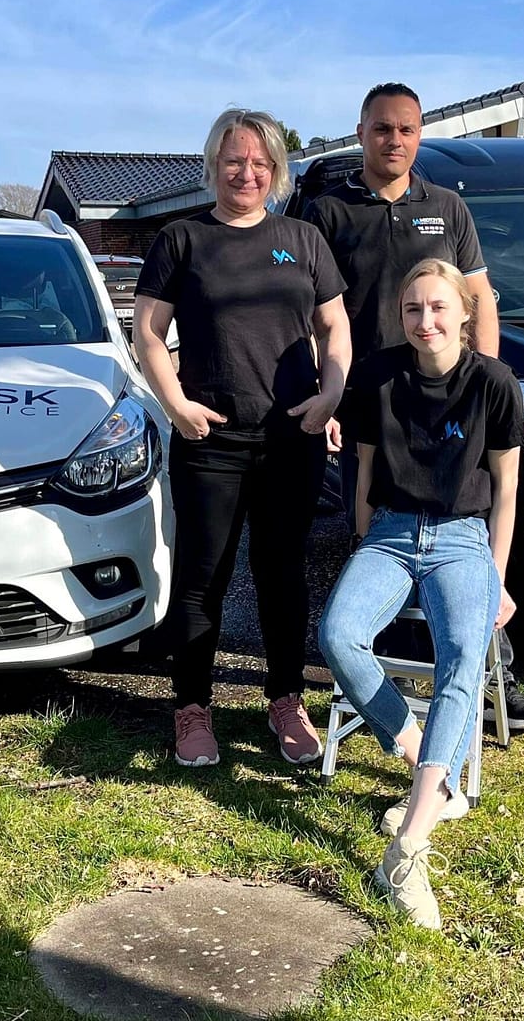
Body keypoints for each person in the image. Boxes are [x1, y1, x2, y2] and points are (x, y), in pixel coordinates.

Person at [304, 81, 524, 732]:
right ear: (361, 132)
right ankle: (379, 676)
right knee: (373, 537)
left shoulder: (446, 207)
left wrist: (484, 383)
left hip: (449, 406)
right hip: (370, 409)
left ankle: (490, 676)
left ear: (419, 136)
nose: (395, 140)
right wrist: (327, 397)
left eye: (407, 129)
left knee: (467, 532)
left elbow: (479, 297)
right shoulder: (327, 212)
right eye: (382, 128)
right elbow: (311, 313)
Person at [133, 108, 351, 768]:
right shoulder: (182, 239)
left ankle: (285, 700)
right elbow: (148, 333)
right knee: (203, 577)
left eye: (260, 162)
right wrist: (176, 406)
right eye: (234, 160)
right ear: (213, 165)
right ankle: (192, 707)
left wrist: (331, 395)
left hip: (292, 436)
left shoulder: (302, 239)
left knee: (282, 574)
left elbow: (334, 327)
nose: (246, 173)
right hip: (211, 438)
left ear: (276, 170)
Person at [317, 258, 522, 929]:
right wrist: (363, 542)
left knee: (463, 656)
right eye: (413, 309)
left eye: (438, 307)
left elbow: (506, 489)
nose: (425, 320)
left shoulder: (492, 383)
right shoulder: (379, 375)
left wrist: (496, 576)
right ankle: (425, 764)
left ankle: (407, 849)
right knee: (338, 635)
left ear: (464, 314)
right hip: (391, 532)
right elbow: (363, 470)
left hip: (463, 538)